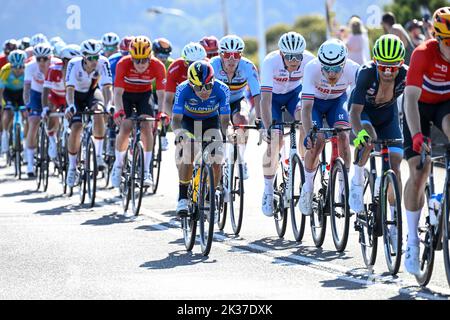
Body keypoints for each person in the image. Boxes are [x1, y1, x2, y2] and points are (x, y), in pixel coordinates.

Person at [402, 7, 450, 276]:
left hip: (445, 106)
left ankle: (443, 199)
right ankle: (411, 241)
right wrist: (417, 134)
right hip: (418, 107)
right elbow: (409, 99)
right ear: (439, 38)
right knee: (419, 172)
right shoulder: (423, 54)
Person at [349, 35, 407, 249]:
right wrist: (360, 134)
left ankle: (394, 220)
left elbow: (414, 107)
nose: (389, 72)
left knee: (396, 163)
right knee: (370, 138)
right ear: (375, 62)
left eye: (394, 67)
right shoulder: (365, 74)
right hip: (364, 114)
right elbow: (355, 112)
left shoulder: (406, 75)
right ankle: (356, 181)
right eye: (383, 66)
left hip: (388, 116)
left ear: (401, 64)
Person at [299, 39, 360, 216]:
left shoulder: (354, 69)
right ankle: (308, 187)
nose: (331, 74)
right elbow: (307, 108)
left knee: (344, 136)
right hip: (315, 104)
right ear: (320, 65)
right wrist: (309, 132)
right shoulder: (311, 68)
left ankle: (343, 187)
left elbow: (358, 104)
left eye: (336, 69)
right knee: (317, 141)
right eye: (326, 69)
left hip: (337, 102)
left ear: (344, 64)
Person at [259, 32, 315, 216]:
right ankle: (268, 189)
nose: (294, 61)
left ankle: (303, 156)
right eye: (289, 57)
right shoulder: (270, 62)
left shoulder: (309, 61)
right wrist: (267, 127)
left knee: (302, 121)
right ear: (281, 54)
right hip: (273, 98)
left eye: (297, 56)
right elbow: (265, 100)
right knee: (275, 139)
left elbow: (311, 99)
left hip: (294, 95)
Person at [172, 60, 231, 216]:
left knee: (217, 159)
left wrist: (230, 133)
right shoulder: (182, 89)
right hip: (188, 122)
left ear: (213, 81)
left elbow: (225, 121)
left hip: (211, 121)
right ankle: (183, 197)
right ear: (191, 85)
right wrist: (180, 134)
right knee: (189, 149)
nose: (204, 91)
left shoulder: (222, 89)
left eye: (208, 86)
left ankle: (209, 197)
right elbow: (176, 120)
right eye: (199, 87)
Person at [110, 36, 166, 189]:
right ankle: (118, 164)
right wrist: (118, 111)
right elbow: (117, 93)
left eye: (144, 60)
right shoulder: (123, 64)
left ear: (150, 57)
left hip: (144, 95)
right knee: (126, 126)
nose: (140, 64)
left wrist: (161, 113)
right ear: (131, 58)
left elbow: (161, 95)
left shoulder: (158, 66)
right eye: (136, 60)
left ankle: (146, 170)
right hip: (126, 95)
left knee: (147, 126)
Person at [64, 39, 113, 187]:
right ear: (84, 57)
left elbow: (106, 87)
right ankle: (72, 168)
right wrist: (71, 105)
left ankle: (98, 156)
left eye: (96, 57)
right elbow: (70, 89)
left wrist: (109, 105)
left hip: (92, 93)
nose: (94, 61)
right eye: (91, 58)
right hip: (76, 96)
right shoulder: (73, 64)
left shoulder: (103, 62)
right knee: (77, 127)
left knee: (99, 113)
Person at [210, 35, 261, 180]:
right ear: (220, 54)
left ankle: (241, 160)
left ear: (241, 55)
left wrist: (260, 118)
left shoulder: (248, 66)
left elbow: (257, 95)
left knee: (243, 119)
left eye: (236, 54)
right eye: (227, 54)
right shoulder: (213, 65)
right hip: (217, 102)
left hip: (238, 100)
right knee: (219, 129)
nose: (232, 59)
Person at [23, 43, 59, 178]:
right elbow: (26, 89)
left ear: (51, 57)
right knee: (33, 121)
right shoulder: (30, 66)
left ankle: (52, 140)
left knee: (54, 115)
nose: (42, 62)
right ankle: (30, 164)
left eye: (45, 59)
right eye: (39, 59)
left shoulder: (57, 64)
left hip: (52, 92)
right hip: (36, 93)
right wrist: (27, 104)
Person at [41, 45, 81, 159]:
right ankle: (52, 141)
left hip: (70, 96)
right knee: (52, 113)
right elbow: (45, 90)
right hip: (56, 96)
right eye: (70, 61)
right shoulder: (53, 69)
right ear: (63, 61)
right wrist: (45, 108)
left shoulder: (78, 69)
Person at [162, 42, 207, 119]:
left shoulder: (210, 66)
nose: (197, 67)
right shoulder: (175, 68)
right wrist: (175, 118)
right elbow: (167, 101)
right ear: (185, 62)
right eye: (192, 63)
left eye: (200, 63)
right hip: (181, 98)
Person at [0, 50, 26, 154]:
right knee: (7, 112)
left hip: (22, 93)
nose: (18, 70)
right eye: (14, 67)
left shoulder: (27, 69)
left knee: (26, 114)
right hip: (8, 93)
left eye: (21, 67)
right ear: (10, 65)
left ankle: (25, 140)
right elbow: (1, 90)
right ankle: (5, 135)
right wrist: (2, 104)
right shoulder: (5, 70)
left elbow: (31, 89)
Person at [152, 38, 175, 151]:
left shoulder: (171, 64)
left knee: (167, 108)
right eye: (160, 56)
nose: (163, 59)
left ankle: (163, 135)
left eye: (166, 56)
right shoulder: (149, 62)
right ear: (154, 54)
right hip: (151, 92)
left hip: (165, 92)